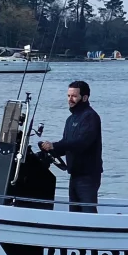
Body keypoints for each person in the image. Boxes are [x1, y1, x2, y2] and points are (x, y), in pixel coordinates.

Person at [39, 80, 102, 212]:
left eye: (74, 96)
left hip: (88, 175)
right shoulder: (71, 119)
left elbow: (82, 143)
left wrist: (54, 146)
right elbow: (66, 144)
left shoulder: (90, 117)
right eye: (68, 96)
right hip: (74, 174)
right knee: (74, 212)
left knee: (88, 213)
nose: (70, 99)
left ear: (84, 97)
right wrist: (49, 151)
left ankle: (93, 231)